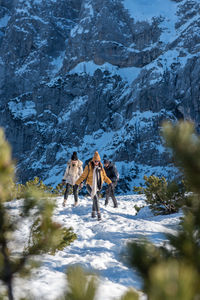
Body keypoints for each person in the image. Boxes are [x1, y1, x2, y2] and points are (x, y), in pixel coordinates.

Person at [75, 151, 112, 221]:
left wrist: (109, 182)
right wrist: (77, 183)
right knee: (95, 199)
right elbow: (83, 176)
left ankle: (93, 213)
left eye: (98, 161)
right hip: (89, 185)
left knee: (95, 199)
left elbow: (104, 176)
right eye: (95, 161)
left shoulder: (101, 167)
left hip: (98, 186)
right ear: (93, 160)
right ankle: (99, 214)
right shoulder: (88, 167)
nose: (96, 162)